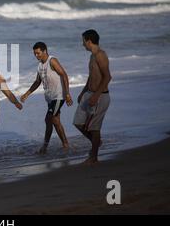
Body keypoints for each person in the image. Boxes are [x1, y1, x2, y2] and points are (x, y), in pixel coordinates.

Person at [21, 42, 73, 154]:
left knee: (49, 119)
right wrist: (27, 93)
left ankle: (45, 147)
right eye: (34, 54)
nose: (36, 56)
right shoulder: (40, 65)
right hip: (50, 98)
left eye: (38, 53)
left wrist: (67, 94)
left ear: (45, 51)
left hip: (59, 95)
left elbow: (64, 74)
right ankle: (65, 144)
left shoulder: (52, 60)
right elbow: (37, 81)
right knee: (55, 121)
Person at [74, 29, 112, 165]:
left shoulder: (100, 55)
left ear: (89, 41)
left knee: (94, 128)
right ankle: (96, 142)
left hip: (100, 95)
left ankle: (93, 157)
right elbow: (92, 76)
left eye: (83, 41)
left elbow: (107, 77)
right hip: (89, 93)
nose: (82, 44)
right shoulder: (92, 56)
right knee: (78, 122)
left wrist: (96, 96)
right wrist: (83, 92)